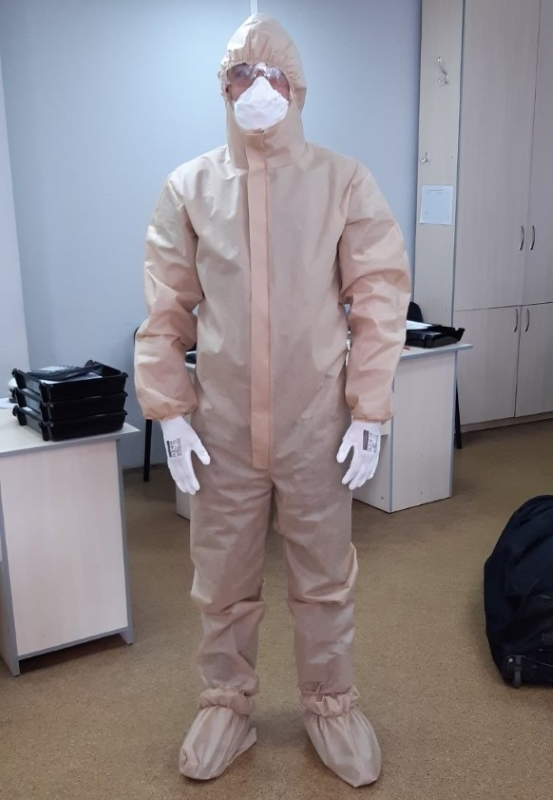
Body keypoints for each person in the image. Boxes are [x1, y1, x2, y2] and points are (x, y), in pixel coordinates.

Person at [135, 13, 411, 788]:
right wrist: (170, 410)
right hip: (222, 425)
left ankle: (329, 704)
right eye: (240, 76)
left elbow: (378, 293)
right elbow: (165, 309)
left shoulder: (341, 181)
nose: (257, 89)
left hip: (314, 421)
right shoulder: (190, 188)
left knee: (323, 577)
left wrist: (368, 406)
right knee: (221, 579)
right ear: (221, 90)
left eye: (273, 75)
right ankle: (225, 704)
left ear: (299, 89)